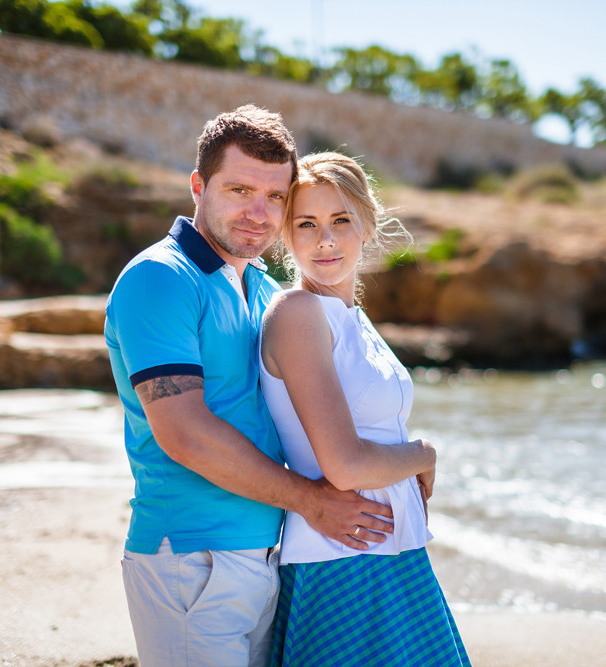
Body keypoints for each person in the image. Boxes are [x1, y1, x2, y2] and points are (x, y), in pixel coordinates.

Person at [104, 106, 403, 667]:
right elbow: (184, 433)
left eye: (275, 196)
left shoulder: (264, 288)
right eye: (240, 189)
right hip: (190, 557)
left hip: (270, 551)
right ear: (198, 185)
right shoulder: (160, 278)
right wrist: (311, 501)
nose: (258, 213)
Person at [259, 152, 470, 666]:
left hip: (392, 548)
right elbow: (345, 464)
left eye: (340, 221)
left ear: (368, 224)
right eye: (306, 224)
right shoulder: (298, 314)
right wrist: (424, 453)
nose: (325, 239)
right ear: (286, 236)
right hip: (340, 556)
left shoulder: (352, 317)